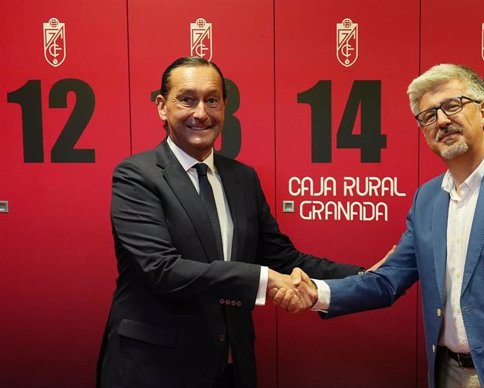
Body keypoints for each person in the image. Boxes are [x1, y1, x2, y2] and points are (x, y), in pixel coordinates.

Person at [293, 64, 484, 388]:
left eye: (452, 105)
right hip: (447, 373)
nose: (441, 120)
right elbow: (387, 280)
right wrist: (317, 293)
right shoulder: (427, 199)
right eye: (428, 116)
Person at [96, 56, 365, 388]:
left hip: (231, 367)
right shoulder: (136, 175)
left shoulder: (242, 178)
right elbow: (161, 270)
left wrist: (366, 275)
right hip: (155, 368)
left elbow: (283, 258)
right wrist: (266, 281)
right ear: (162, 107)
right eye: (187, 99)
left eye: (212, 100)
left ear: (224, 107)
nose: (201, 113)